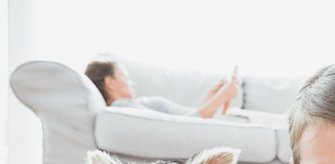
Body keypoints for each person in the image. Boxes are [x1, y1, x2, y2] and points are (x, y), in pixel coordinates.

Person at [84, 60, 239, 119]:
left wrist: (213, 95)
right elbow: (190, 123)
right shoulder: (121, 108)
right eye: (126, 78)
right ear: (110, 82)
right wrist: (223, 95)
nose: (133, 84)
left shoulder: (130, 106)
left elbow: (191, 119)